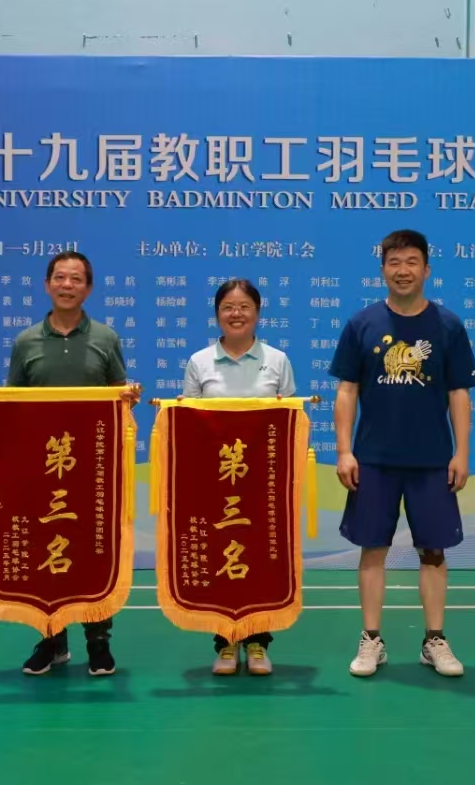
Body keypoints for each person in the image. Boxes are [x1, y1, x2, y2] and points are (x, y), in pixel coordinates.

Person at [0, 250, 139, 677]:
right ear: (47, 285)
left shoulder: (105, 338)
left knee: (94, 551)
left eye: (76, 279)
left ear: (89, 288)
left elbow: (118, 399)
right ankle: (51, 639)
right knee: (44, 550)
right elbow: (14, 403)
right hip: (42, 470)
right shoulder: (26, 341)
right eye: (60, 278)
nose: (68, 285)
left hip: (93, 471)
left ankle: (98, 640)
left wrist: (128, 397)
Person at [327, 229, 475, 678]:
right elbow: (347, 391)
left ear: (426, 269)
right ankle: (371, 640)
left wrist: (461, 453)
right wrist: (344, 451)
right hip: (373, 460)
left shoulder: (448, 325)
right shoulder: (362, 324)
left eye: (411, 262)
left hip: (432, 461)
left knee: (433, 552)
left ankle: (434, 640)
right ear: (382, 270)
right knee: (372, 550)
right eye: (394, 262)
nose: (403, 270)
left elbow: (459, 393)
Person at [182, 278, 296, 676]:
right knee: (220, 555)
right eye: (228, 307)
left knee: (262, 557)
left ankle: (258, 642)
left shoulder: (277, 360)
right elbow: (188, 423)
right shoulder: (200, 362)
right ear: (217, 314)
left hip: (263, 482)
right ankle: (226, 642)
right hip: (216, 482)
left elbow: (290, 420)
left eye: (244, 306)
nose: (236, 313)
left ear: (258, 313)